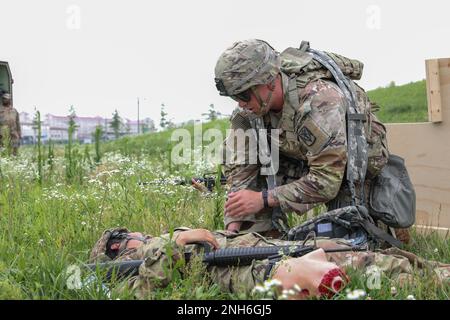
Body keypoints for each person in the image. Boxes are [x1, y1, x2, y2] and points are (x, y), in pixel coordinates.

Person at [214, 39, 406, 240]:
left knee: (352, 243)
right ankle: (265, 240)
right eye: (233, 96)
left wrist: (263, 199)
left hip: (350, 170)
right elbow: (242, 170)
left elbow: (327, 180)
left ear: (269, 80)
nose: (240, 103)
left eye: (243, 94)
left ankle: (383, 224)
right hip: (304, 159)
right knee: (249, 236)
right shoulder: (247, 113)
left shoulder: (319, 101)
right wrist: (233, 228)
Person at [89, 227, 450, 299]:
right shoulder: (129, 267)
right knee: (368, 267)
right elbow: (146, 291)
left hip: (269, 248)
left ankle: (434, 271)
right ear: (119, 249)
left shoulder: (156, 244)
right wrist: (175, 242)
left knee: (365, 254)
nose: (137, 236)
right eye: (126, 239)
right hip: (256, 270)